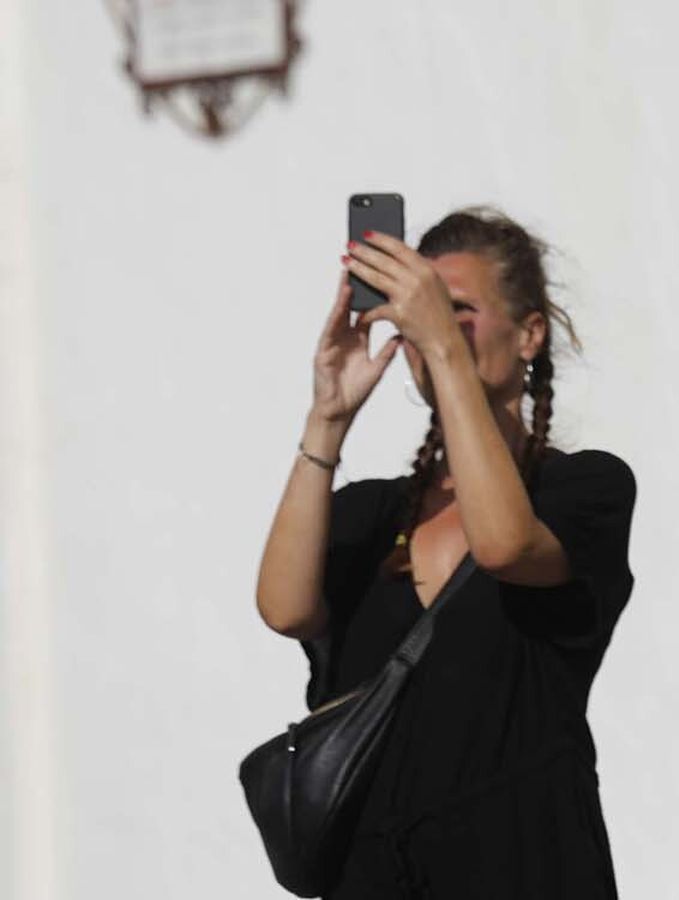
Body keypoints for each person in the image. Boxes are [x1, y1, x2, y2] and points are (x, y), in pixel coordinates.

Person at [255, 209, 635, 898]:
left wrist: (446, 354)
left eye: (459, 310)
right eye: (424, 314)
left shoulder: (584, 490)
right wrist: (328, 418)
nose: (436, 331)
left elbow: (503, 544)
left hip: (527, 866)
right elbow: (283, 609)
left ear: (529, 334)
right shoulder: (370, 513)